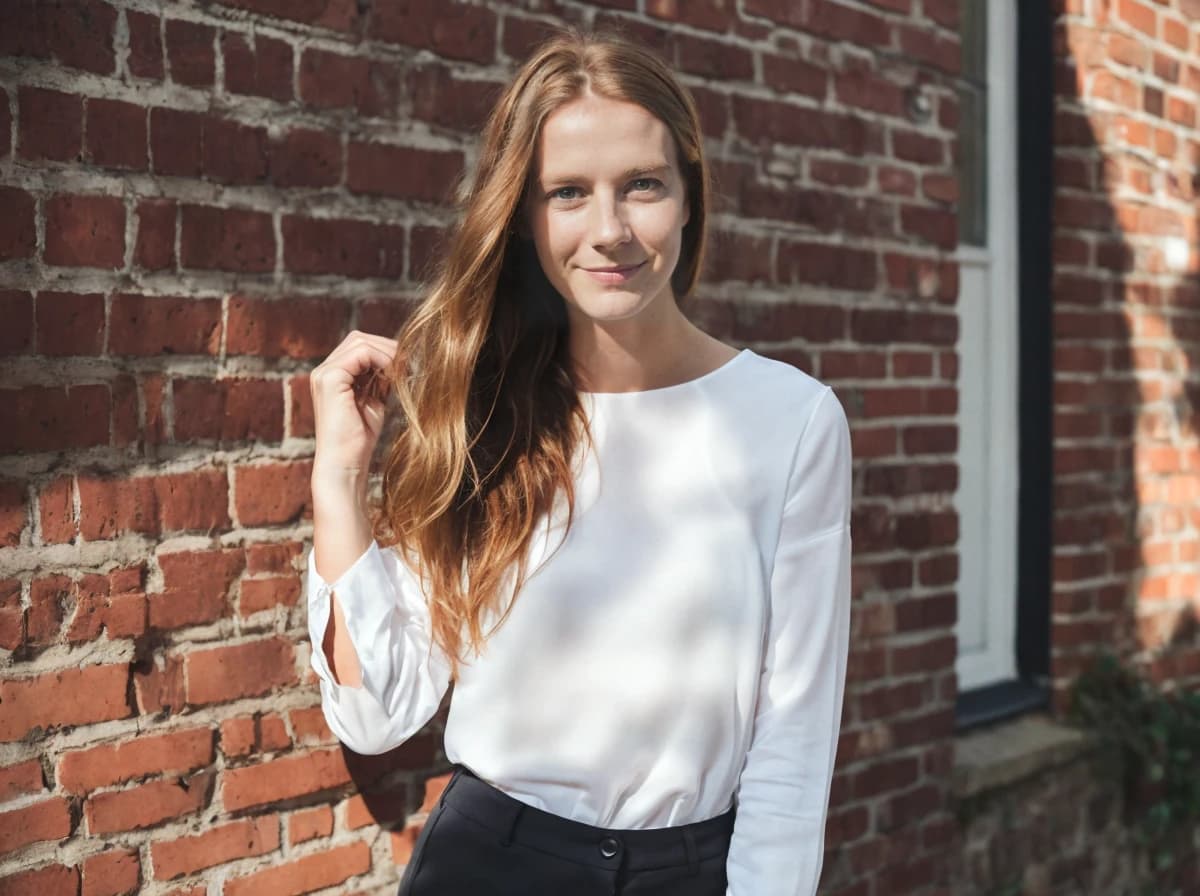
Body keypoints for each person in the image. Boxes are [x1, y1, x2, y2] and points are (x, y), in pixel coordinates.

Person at [305, 28, 852, 896]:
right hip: (486, 864)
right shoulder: (482, 413)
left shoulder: (790, 421)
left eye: (641, 185)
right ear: (524, 219)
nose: (610, 231)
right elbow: (378, 715)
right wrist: (340, 480)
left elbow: (793, 739)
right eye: (568, 193)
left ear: (688, 197)